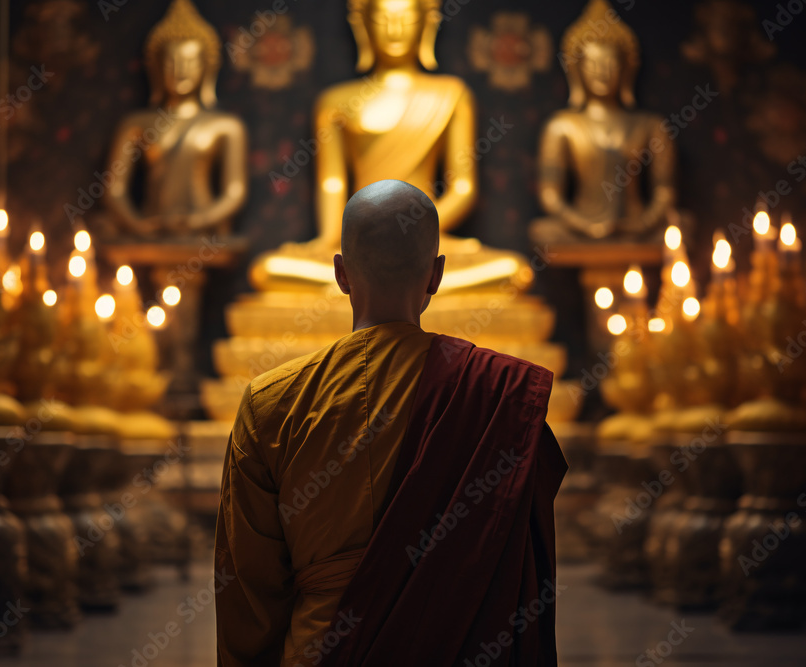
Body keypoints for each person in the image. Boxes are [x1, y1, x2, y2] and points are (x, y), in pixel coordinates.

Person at [215, 179, 567, 666]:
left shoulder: (271, 403)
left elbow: (247, 593)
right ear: (437, 275)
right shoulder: (494, 392)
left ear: (340, 273)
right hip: (456, 645)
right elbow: (520, 572)